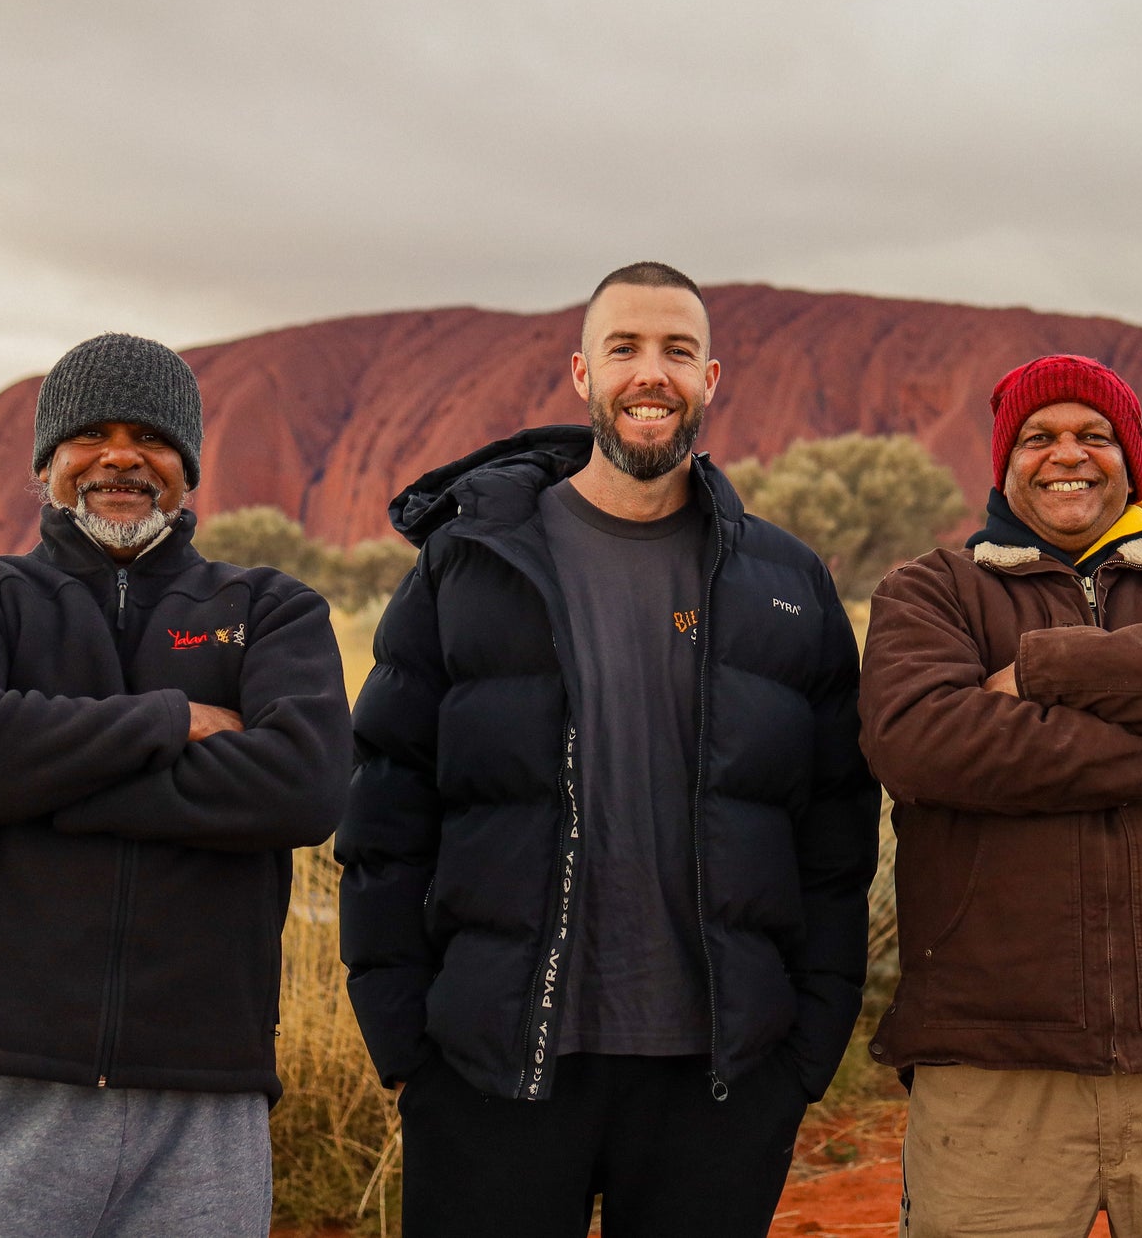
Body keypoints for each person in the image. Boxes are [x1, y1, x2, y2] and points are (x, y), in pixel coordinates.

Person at [338, 262, 878, 1238]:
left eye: (677, 350)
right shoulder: (471, 563)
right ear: (582, 372)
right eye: (623, 347)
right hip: (491, 1066)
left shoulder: (786, 582)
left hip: (718, 1082)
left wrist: (806, 1046)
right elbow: (386, 803)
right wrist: (404, 1038)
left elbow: (835, 828)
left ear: (710, 379)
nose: (650, 373)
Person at [0, 332, 351, 1238]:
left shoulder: (269, 609)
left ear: (188, 467)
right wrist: (169, 720)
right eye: (91, 434)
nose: (121, 458)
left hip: (202, 1094)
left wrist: (36, 786)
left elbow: (306, 783)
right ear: (47, 462)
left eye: (151, 438)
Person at [859, 353, 1142, 1237]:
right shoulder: (933, 592)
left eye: (1093, 435)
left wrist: (1045, 665)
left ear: (1130, 459)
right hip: (992, 1060)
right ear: (1004, 460)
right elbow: (923, 742)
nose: (1067, 453)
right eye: (1038, 436)